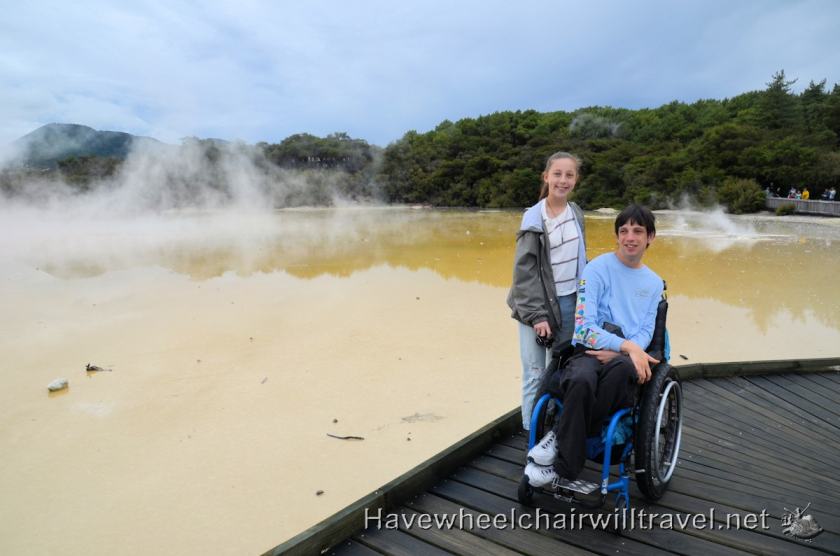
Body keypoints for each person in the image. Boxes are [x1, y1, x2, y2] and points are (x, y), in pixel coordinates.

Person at [524, 204, 663, 488]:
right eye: (624, 231)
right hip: (589, 349)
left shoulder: (653, 283)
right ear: (617, 236)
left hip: (622, 359)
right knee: (581, 378)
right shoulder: (597, 268)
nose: (630, 237)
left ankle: (560, 446)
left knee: (621, 373)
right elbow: (584, 327)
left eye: (638, 231)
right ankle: (567, 461)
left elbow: (647, 331)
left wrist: (623, 351)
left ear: (650, 237)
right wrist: (626, 346)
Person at [508, 151, 587, 431]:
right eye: (557, 174)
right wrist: (537, 315)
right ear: (546, 177)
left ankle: (552, 428)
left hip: (569, 303)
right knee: (534, 372)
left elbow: (582, 262)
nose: (562, 180)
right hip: (536, 306)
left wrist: (586, 304)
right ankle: (531, 433)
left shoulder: (576, 213)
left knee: (560, 370)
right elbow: (524, 274)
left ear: (576, 179)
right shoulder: (533, 218)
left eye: (569, 175)